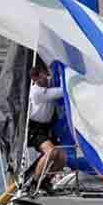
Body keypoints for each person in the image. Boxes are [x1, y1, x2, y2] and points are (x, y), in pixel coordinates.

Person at [27, 57, 67, 191]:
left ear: (45, 73)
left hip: (46, 128)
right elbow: (62, 92)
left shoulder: (50, 83)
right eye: (35, 77)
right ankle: (34, 182)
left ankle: (46, 181)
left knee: (62, 157)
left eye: (39, 75)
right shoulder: (37, 93)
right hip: (34, 128)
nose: (38, 79)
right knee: (51, 152)